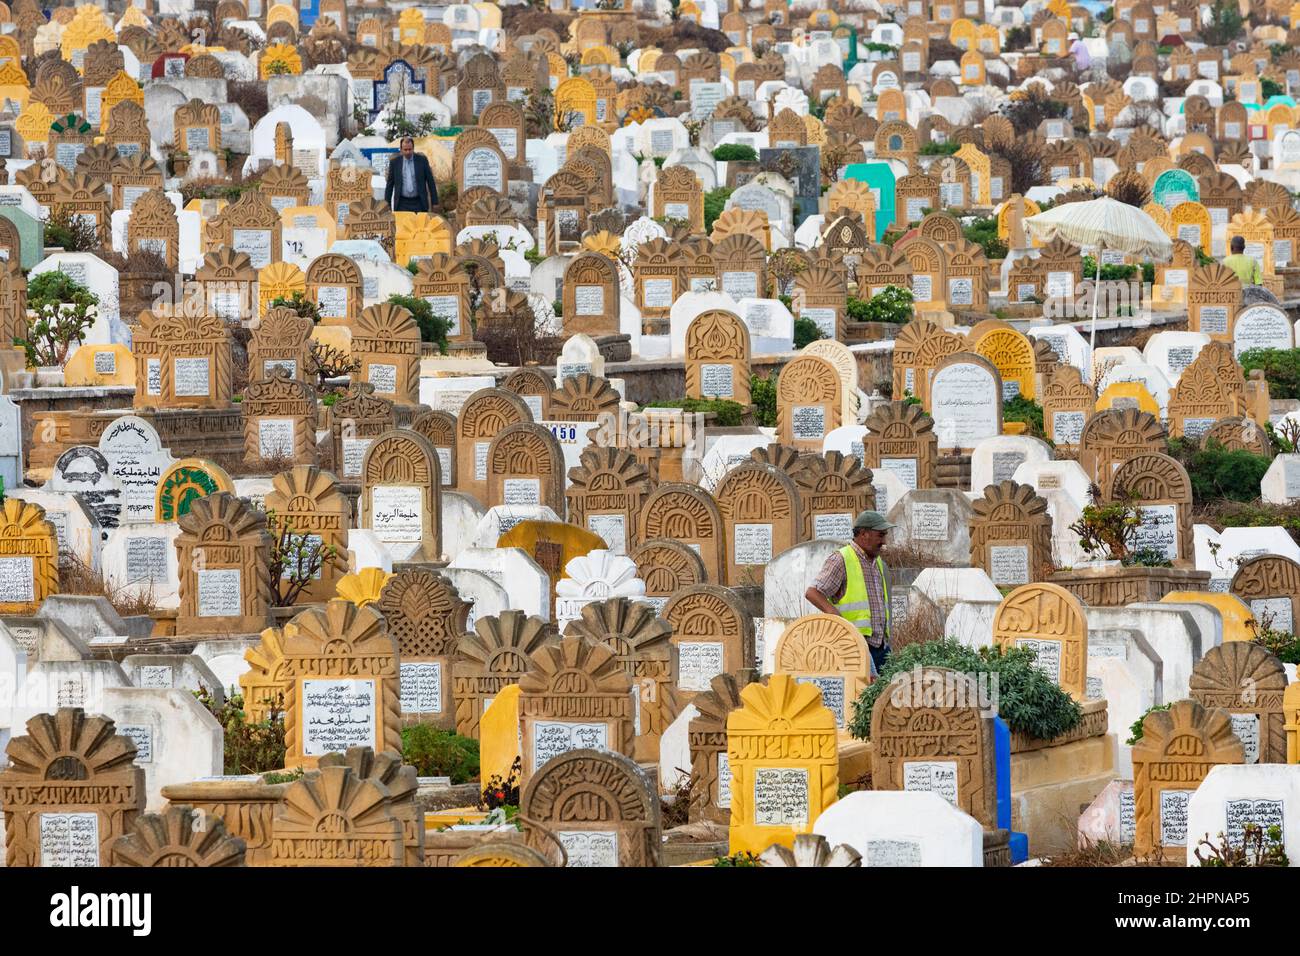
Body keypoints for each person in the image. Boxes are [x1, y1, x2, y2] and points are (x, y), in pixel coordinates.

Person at [804, 510, 896, 676]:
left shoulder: (878, 562)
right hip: (855, 646)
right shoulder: (841, 558)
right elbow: (813, 592)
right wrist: (834, 614)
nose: (884, 541)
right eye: (880, 535)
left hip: (881, 646)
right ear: (863, 534)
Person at [384, 135, 439, 213]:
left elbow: (431, 182)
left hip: (419, 202)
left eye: (410, 149)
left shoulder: (422, 160)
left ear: (413, 148)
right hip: (402, 204)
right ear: (401, 150)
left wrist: (435, 202)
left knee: (421, 224)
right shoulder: (395, 163)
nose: (408, 152)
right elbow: (389, 185)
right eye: (405, 150)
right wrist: (387, 204)